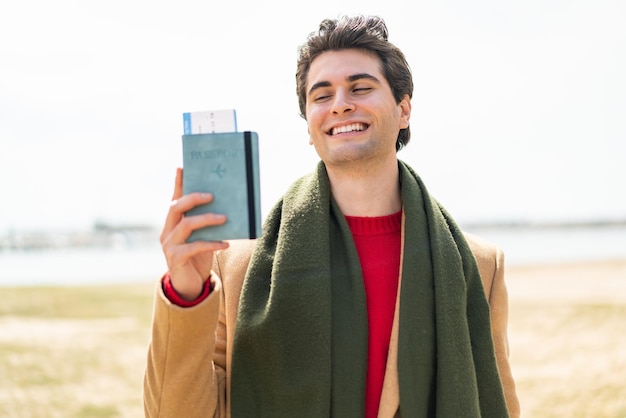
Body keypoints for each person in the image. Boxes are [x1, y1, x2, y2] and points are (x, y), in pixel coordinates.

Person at [143, 14, 520, 418]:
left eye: (360, 88)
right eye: (321, 96)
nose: (340, 105)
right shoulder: (236, 267)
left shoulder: (478, 267)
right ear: (309, 125)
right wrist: (185, 293)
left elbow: (496, 404)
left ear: (404, 109)